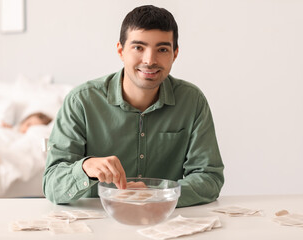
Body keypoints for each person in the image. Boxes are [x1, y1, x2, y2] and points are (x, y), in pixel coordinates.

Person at [43, 5, 224, 207]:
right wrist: (85, 168)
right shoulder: (81, 102)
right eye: (138, 47)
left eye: (162, 49)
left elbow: (209, 178)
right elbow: (52, 184)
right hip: (95, 224)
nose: (149, 60)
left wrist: (157, 194)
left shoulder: (192, 101)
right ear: (121, 50)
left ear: (175, 54)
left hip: (167, 225)